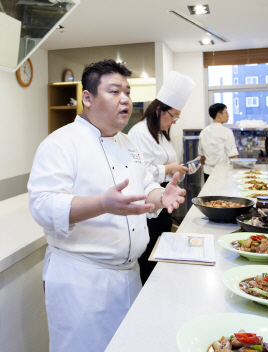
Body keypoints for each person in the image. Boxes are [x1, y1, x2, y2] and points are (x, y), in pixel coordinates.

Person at [27, 60, 186, 352]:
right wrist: (102, 203)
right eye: (114, 91)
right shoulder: (60, 144)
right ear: (87, 98)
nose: (125, 99)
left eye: (127, 91)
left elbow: (146, 186)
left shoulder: (129, 145)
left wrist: (160, 198)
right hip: (83, 283)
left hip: (128, 276)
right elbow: (43, 206)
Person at [128, 71, 199, 284]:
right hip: (150, 205)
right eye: (174, 115)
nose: (175, 121)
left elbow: (166, 167)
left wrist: (177, 169)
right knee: (150, 259)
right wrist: (168, 169)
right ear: (159, 109)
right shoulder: (139, 133)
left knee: (161, 255)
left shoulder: (160, 134)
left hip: (165, 203)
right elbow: (139, 174)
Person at [198, 103, 239, 181]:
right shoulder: (227, 132)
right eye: (226, 113)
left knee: (210, 193)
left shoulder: (203, 132)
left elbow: (201, 156)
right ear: (219, 115)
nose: (228, 115)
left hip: (207, 172)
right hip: (223, 173)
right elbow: (233, 156)